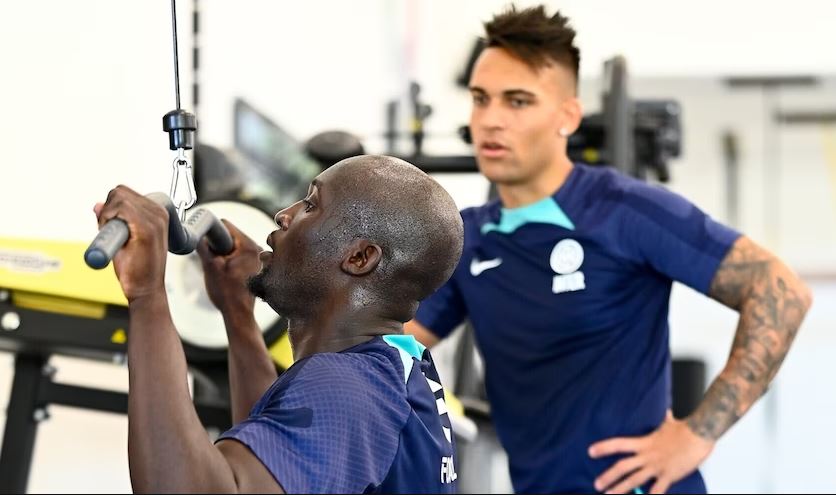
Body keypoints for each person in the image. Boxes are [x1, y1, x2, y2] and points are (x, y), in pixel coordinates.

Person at [405, 5, 813, 494]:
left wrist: (696, 435)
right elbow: (394, 342)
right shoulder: (468, 237)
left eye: (517, 101)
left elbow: (780, 290)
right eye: (480, 99)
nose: (490, 120)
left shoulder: (625, 209)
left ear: (567, 116)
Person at [93, 155, 464, 493]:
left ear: (359, 257)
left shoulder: (347, 387)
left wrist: (147, 295)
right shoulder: (396, 373)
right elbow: (275, 454)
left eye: (311, 205)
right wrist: (238, 314)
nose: (284, 215)